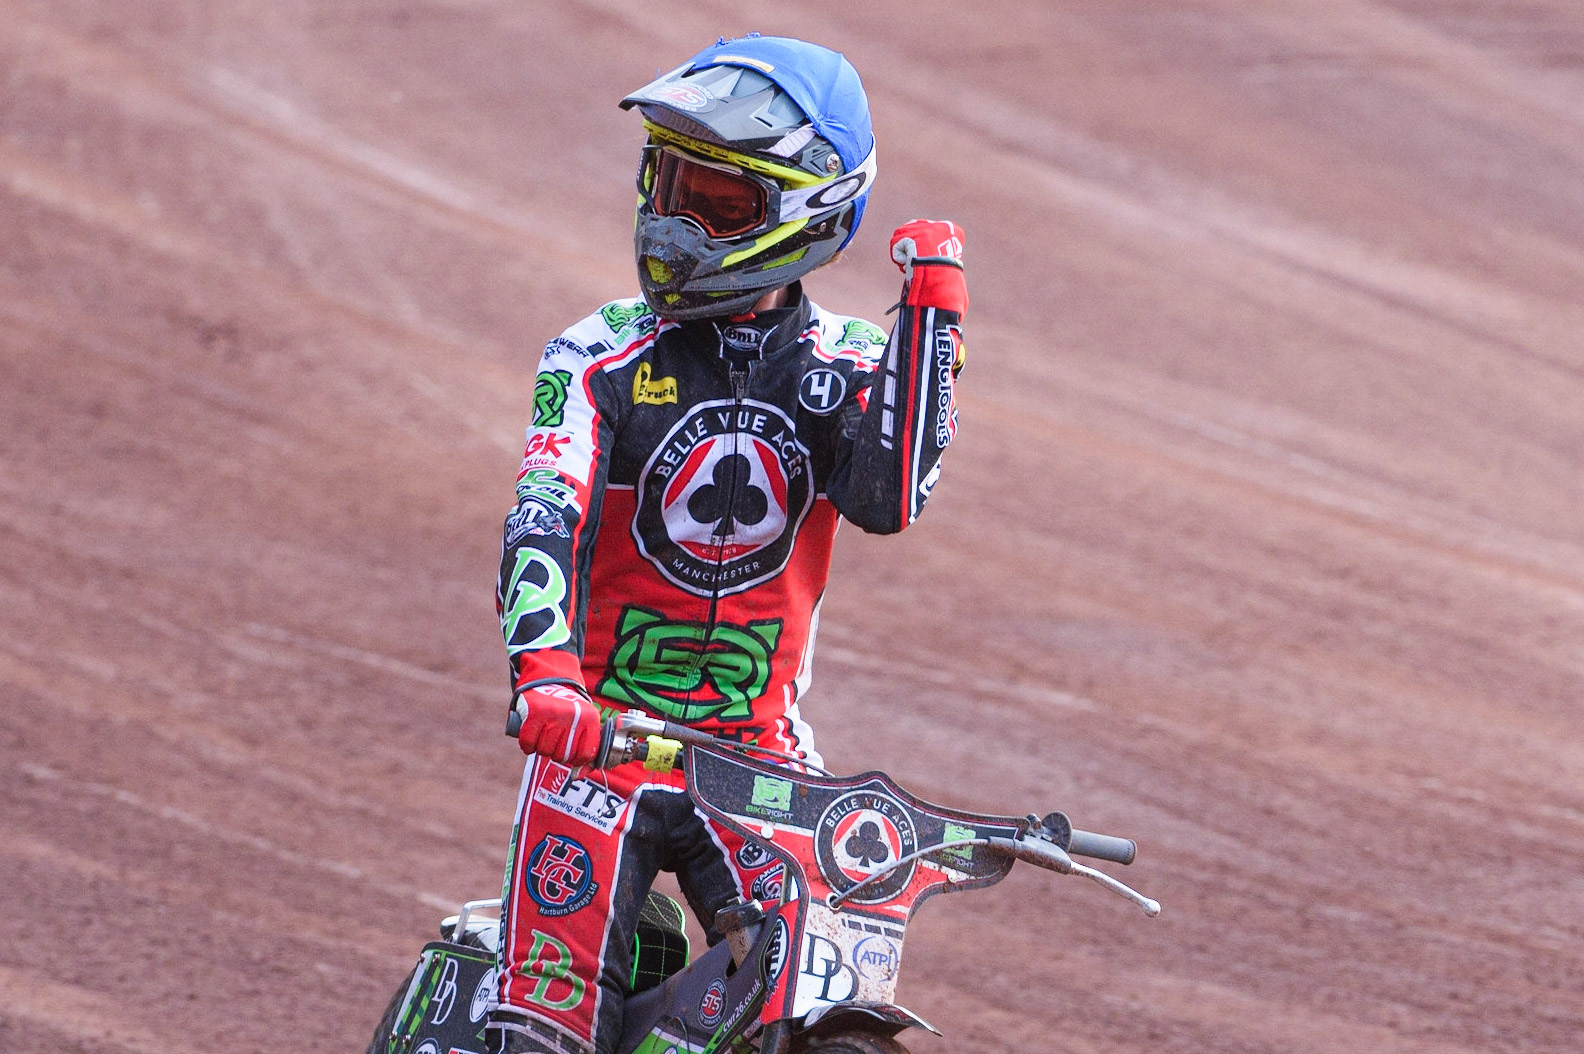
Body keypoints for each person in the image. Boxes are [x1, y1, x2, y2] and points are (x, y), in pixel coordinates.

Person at [487, 33, 970, 1054]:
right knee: (543, 1033)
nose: (673, 224)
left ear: (807, 213)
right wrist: (546, 678)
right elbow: (546, 513)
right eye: (666, 183)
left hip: (757, 755)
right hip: (594, 744)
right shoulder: (594, 355)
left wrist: (932, 327)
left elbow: (888, 499)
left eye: (717, 203)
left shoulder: (847, 369)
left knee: (816, 1001)